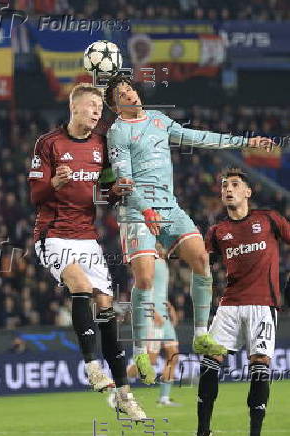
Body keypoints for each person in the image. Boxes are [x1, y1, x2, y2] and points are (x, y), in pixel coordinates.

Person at [105, 74, 273, 384]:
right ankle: (141, 351)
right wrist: (145, 209)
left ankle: (199, 335)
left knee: (200, 258)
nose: (130, 93)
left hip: (169, 206)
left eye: (130, 88)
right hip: (137, 209)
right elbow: (123, 181)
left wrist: (244, 142)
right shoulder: (117, 132)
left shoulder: (157, 119)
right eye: (121, 93)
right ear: (116, 106)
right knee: (144, 277)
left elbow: (197, 137)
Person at [28, 83, 146, 420]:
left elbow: (106, 192)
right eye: (92, 105)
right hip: (53, 235)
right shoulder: (49, 143)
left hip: (86, 236)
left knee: (107, 310)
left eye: (99, 107)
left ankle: (124, 392)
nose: (97, 111)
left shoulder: (101, 145)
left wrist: (117, 190)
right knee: (79, 286)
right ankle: (93, 367)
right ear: (75, 107)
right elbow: (35, 195)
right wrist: (55, 183)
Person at [196, 167, 290, 436]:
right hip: (229, 305)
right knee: (209, 361)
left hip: (262, 305)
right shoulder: (218, 230)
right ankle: (203, 431)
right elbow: (202, 262)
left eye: (235, 184)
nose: (228, 189)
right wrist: (170, 251)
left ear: (248, 192)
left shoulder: (269, 218)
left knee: (260, 363)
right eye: (224, 185)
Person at [128, 243, 181, 406]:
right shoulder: (149, 261)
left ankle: (164, 398)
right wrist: (152, 311)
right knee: (149, 362)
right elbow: (142, 288)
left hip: (163, 315)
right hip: (152, 317)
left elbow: (159, 290)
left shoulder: (163, 263)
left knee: (173, 355)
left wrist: (169, 306)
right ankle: (118, 386)